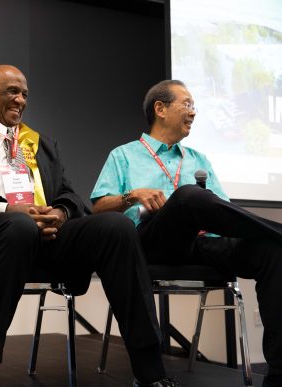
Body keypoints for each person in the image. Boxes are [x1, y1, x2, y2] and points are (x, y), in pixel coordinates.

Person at [0, 64, 180, 387]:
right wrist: (5, 208)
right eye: (11, 92)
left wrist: (58, 212)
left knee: (115, 227)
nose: (20, 100)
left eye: (25, 94)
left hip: (43, 236)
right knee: (18, 226)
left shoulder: (40, 142)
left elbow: (70, 195)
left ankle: (149, 370)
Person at [91, 79, 282, 387]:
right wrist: (132, 195)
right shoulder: (123, 155)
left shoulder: (197, 158)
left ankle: (279, 374)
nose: (194, 112)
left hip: (202, 244)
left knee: (273, 252)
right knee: (189, 196)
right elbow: (98, 207)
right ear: (160, 108)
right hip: (149, 243)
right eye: (187, 104)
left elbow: (223, 212)